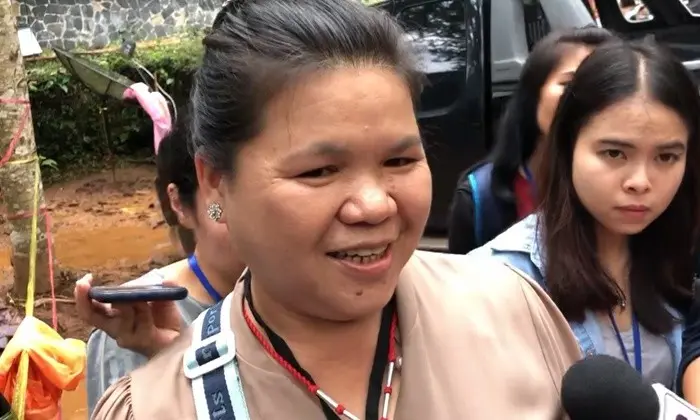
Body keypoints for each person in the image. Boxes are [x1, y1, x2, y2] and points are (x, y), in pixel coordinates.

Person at [91, 0, 582, 418]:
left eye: (399, 160)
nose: (374, 206)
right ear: (215, 182)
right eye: (319, 171)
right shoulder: (163, 406)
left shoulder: (513, 313)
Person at [469, 39, 700, 389]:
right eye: (614, 153)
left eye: (666, 157)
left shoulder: (679, 258)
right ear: (568, 146)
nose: (640, 182)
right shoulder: (501, 280)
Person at [75, 111, 247, 415]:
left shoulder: (302, 305)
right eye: (223, 199)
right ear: (179, 202)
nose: (256, 220)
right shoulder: (130, 328)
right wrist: (170, 365)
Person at [447, 27, 615, 254]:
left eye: (606, 87)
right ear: (533, 95)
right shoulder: (481, 198)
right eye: (570, 84)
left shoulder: (640, 192)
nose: (589, 100)